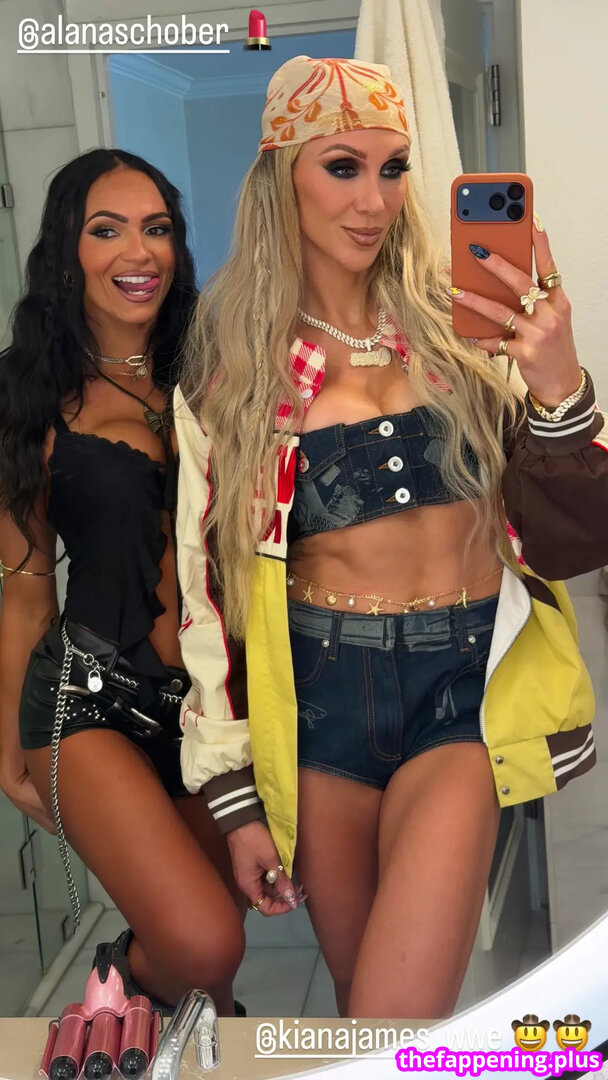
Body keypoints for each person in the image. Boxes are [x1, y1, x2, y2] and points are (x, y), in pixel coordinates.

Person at [174, 57, 608, 1018]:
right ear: (281, 174)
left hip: (459, 693)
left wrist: (561, 386)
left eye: (394, 167)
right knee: (363, 1017)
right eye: (343, 167)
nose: (374, 201)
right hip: (321, 701)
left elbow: (574, 537)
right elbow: (206, 594)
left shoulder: (469, 333)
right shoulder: (229, 372)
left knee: (394, 1014)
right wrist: (234, 797)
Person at [0, 149, 246, 1015]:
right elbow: (26, 584)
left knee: (218, 938)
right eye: (107, 230)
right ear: (67, 250)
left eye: (157, 229)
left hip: (206, 704)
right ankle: (127, 989)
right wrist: (8, 750)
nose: (138, 253)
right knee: (204, 941)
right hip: (86, 701)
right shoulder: (27, 396)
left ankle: (146, 1012)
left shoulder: (220, 368)